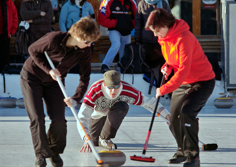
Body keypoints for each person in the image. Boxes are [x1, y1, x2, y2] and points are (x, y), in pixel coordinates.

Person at [20, 17, 100, 167]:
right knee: (37, 118)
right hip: (32, 77)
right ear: (77, 36)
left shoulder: (84, 51)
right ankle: (41, 154)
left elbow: (85, 75)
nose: (89, 45)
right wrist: (48, 69)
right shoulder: (54, 39)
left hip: (55, 83)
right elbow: (32, 50)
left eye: (91, 42)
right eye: (87, 41)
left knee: (59, 119)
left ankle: (54, 151)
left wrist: (76, 97)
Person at [145, 8, 215, 167]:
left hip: (202, 81)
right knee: (173, 119)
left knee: (186, 113)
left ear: (165, 25)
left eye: (156, 30)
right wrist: (168, 66)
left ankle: (193, 157)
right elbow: (173, 59)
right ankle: (182, 150)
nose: (155, 34)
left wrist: (163, 89)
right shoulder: (164, 37)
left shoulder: (184, 38)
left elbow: (183, 70)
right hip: (183, 82)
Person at [65, 70, 170, 151]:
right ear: (104, 85)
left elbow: (150, 103)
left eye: (116, 87)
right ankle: (98, 138)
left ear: (120, 84)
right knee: (94, 141)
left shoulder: (127, 90)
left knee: (122, 106)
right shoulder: (95, 90)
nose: (113, 91)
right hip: (97, 117)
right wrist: (86, 137)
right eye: (110, 87)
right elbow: (82, 117)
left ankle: (105, 138)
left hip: (113, 115)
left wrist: (167, 116)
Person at [135, 0, 172, 94]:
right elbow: (138, 21)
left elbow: (170, 20)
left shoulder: (163, 3)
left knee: (161, 65)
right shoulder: (142, 3)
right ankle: (151, 86)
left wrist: (169, 36)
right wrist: (137, 37)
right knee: (148, 64)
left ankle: (163, 88)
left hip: (161, 40)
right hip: (146, 40)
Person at [98, 0, 137, 73]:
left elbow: (137, 17)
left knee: (125, 50)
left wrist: (130, 24)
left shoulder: (132, 2)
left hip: (127, 31)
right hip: (114, 30)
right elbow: (101, 19)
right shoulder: (107, 1)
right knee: (116, 44)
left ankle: (123, 68)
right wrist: (116, 23)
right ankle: (105, 65)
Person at [59, 0, 95, 73]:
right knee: (73, 57)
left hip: (86, 35)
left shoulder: (88, 6)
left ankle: (84, 77)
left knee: (85, 57)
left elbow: (93, 20)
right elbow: (62, 21)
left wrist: (93, 35)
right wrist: (65, 36)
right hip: (72, 35)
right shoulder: (67, 5)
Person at [0, 0, 18, 73]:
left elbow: (15, 17)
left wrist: (11, 31)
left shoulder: (8, 2)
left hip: (5, 34)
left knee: (4, 57)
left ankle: (4, 72)